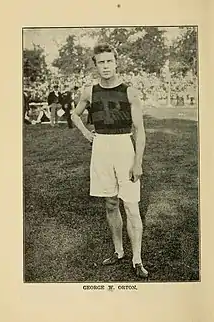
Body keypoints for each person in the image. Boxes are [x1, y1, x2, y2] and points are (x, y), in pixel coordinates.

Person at [71, 43, 148, 278]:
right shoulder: (89, 91)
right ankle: (118, 252)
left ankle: (137, 259)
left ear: (116, 63)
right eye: (101, 62)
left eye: (109, 61)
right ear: (95, 65)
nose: (106, 66)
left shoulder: (129, 92)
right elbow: (75, 114)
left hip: (124, 146)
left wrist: (138, 162)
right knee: (110, 203)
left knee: (131, 206)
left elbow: (140, 130)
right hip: (101, 147)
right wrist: (86, 133)